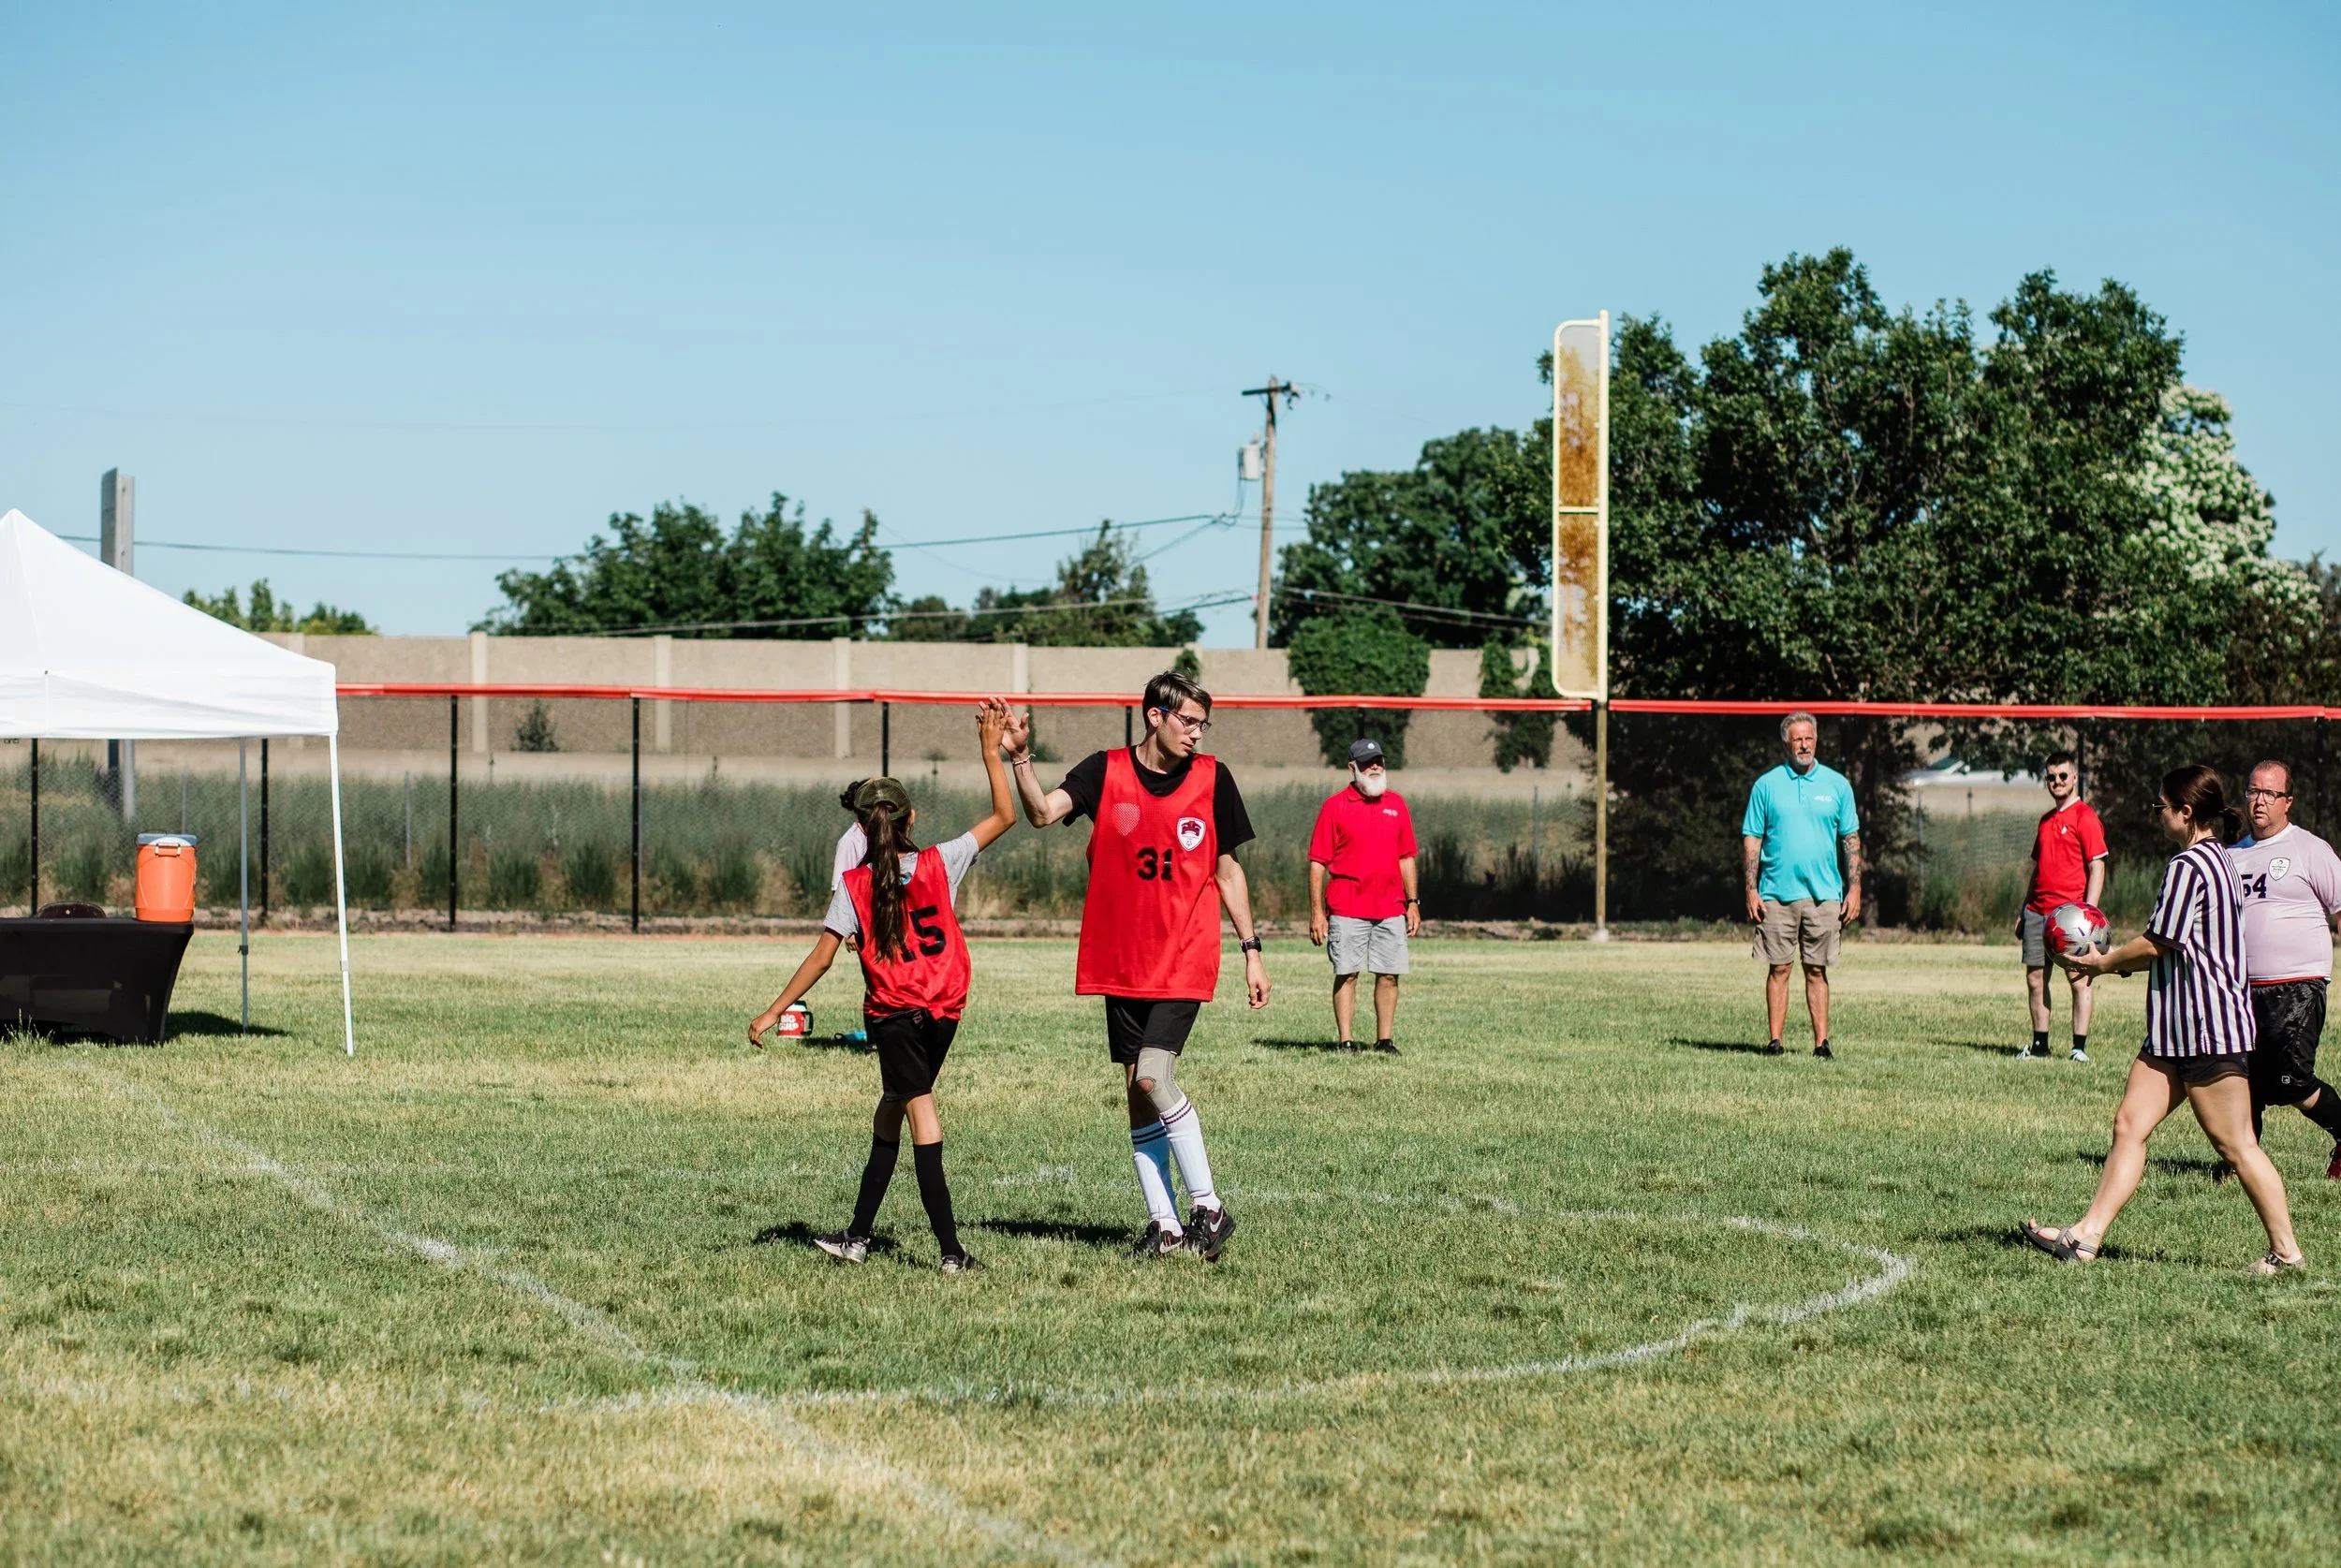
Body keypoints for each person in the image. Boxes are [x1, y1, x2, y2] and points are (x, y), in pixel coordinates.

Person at [1003, 669, 1269, 1261]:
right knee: (1134, 1089)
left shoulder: (1212, 778)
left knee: (1153, 1075)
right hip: (1122, 960)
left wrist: (1252, 952)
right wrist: (1020, 760)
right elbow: (1044, 813)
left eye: (1204, 724)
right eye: (1188, 722)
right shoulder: (1106, 771)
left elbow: (1227, 872)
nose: (1198, 734)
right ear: (1155, 716)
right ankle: (1165, 1225)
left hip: (1184, 957)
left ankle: (1209, 1207)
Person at [746, 699, 1019, 1273]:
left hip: (897, 1013)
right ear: (911, 818)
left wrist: (775, 1010)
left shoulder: (855, 882)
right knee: (890, 1111)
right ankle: (857, 1238)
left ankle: (950, 1252)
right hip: (945, 1008)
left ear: (862, 826)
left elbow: (823, 958)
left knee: (920, 1113)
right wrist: (991, 753)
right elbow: (1004, 815)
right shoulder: (942, 861)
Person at [2024, 765, 2304, 1273]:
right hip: (2174, 1031)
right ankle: (2085, 1237)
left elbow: (2157, 943)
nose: (2156, 814)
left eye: (2160, 806)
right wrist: (2123, 963)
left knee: (2236, 1145)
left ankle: (2286, 1253)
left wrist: (2101, 964)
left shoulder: (2190, 865)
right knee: (2129, 1124)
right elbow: (2178, 946)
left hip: (2207, 1031)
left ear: (2186, 812)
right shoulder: (2217, 857)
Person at [2225, 759, 2341, 1180]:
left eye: (2270, 794)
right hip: (2240, 989)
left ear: (2287, 801)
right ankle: (2242, 1162)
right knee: (2240, 1076)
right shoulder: (2232, 855)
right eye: (2253, 791)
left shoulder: (2309, 850)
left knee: (2289, 1080)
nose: (2259, 801)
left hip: (2298, 987)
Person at [1741, 711, 1862, 1059]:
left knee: (1816, 968)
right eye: (1797, 739)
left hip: (1823, 895)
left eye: (1809, 738)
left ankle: (1821, 1043)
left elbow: (1850, 838)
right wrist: (1751, 888)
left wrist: (1854, 889)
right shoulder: (1766, 785)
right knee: (1779, 967)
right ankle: (1774, 1042)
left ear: (1817, 741)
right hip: (1776, 893)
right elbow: (1753, 838)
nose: (1804, 745)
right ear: (1786, 744)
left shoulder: (1837, 785)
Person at [1307, 738, 1420, 1052]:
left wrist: (1412, 902)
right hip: (1346, 907)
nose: (1375, 767)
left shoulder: (1396, 805)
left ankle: (1384, 1040)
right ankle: (1346, 1041)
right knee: (1347, 973)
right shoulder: (1335, 806)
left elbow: (1406, 857)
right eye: (1368, 762)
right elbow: (1318, 863)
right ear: (1352, 768)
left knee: (1389, 975)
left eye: (1379, 762)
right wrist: (1317, 912)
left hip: (1391, 908)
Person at [2018, 751, 2109, 1062]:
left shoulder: (2085, 816)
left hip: (2070, 917)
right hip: (2037, 912)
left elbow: (2097, 866)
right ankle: (2040, 1046)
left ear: (2074, 777)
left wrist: (2089, 915)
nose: (2056, 781)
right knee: (2034, 978)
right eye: (2051, 777)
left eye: (2062, 776)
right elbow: (2037, 869)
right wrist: (2023, 909)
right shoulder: (2046, 821)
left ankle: (2078, 1048)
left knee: (2078, 978)